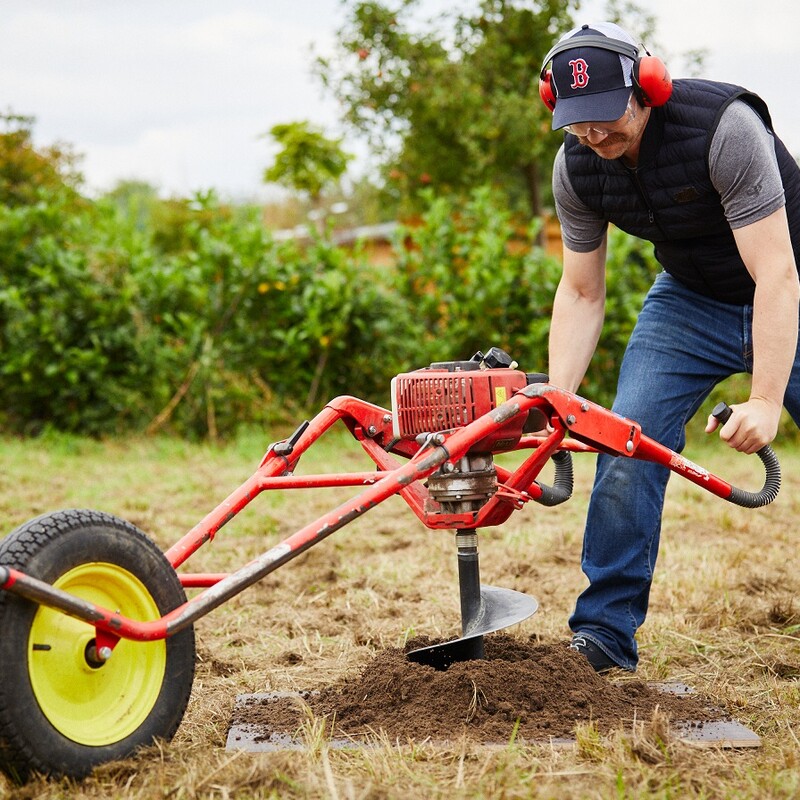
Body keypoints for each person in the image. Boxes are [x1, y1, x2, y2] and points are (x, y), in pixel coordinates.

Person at [539, 21, 800, 672]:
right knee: (626, 443)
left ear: (648, 87)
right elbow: (580, 293)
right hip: (690, 301)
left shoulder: (722, 129)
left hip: (790, 283)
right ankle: (601, 638)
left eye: (605, 116)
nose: (594, 135)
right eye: (578, 122)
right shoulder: (577, 167)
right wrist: (558, 401)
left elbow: (777, 275)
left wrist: (765, 400)